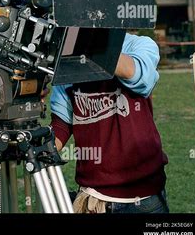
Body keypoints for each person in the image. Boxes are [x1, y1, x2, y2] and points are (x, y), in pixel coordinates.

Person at [50, 33, 169, 213]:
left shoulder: (138, 44)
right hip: (95, 198)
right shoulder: (68, 58)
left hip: (144, 198)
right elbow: (62, 125)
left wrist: (84, 44)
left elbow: (138, 75)